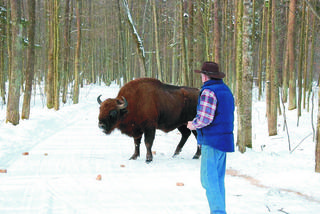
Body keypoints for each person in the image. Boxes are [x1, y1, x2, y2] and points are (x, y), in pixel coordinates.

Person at [187, 61, 235, 214]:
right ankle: (220, 210)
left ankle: (218, 212)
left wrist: (192, 125)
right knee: (218, 180)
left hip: (212, 141)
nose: (201, 77)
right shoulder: (225, 90)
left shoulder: (209, 92)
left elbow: (205, 118)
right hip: (224, 140)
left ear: (206, 76)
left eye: (202, 74)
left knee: (208, 180)